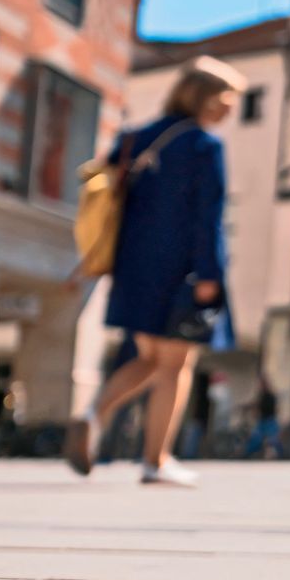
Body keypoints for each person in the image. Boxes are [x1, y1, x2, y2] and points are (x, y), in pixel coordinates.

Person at [66, 56, 244, 487]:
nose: (231, 108)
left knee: (148, 359)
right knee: (176, 366)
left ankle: (93, 415)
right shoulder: (204, 145)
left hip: (132, 267)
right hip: (181, 270)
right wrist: (209, 274)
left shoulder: (134, 139)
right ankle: (156, 461)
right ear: (207, 97)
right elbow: (208, 217)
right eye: (228, 98)